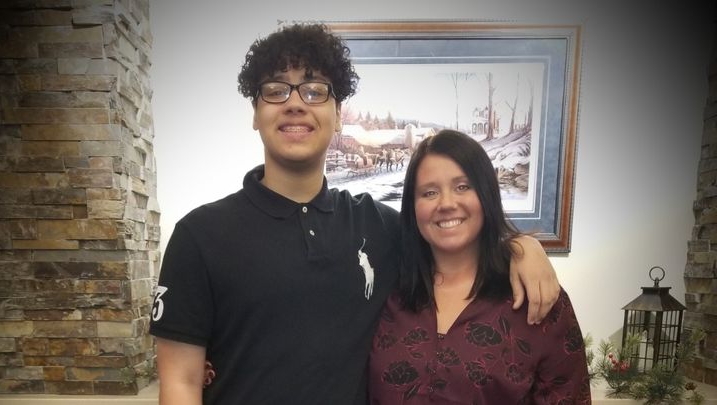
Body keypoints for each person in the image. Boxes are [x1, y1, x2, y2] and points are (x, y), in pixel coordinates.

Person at [149, 23, 561, 405]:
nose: (295, 104)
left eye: (314, 90)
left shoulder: (382, 228)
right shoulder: (200, 237)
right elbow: (181, 382)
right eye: (275, 90)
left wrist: (521, 246)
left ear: (338, 115)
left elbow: (457, 244)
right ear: (255, 113)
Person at [368, 129, 590, 404]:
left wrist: (524, 244)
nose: (446, 203)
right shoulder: (388, 289)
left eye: (463, 187)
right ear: (413, 207)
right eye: (429, 192)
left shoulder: (535, 296)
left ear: (486, 195)